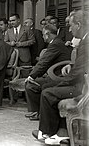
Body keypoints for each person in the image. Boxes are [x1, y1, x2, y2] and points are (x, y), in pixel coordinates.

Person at [32, 10, 89, 145]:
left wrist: (61, 83)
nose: (69, 29)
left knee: (48, 92)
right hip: (81, 82)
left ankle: (50, 133)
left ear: (79, 25)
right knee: (48, 87)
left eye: (71, 25)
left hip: (83, 88)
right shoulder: (85, 40)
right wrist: (71, 64)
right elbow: (81, 65)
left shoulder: (86, 42)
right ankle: (61, 132)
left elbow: (79, 73)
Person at [24, 25, 72, 121]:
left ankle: (37, 112)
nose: (42, 37)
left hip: (58, 76)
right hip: (56, 74)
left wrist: (31, 76)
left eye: (43, 34)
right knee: (35, 83)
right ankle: (37, 112)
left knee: (30, 84)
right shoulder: (57, 42)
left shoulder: (55, 44)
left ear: (47, 34)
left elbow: (44, 62)